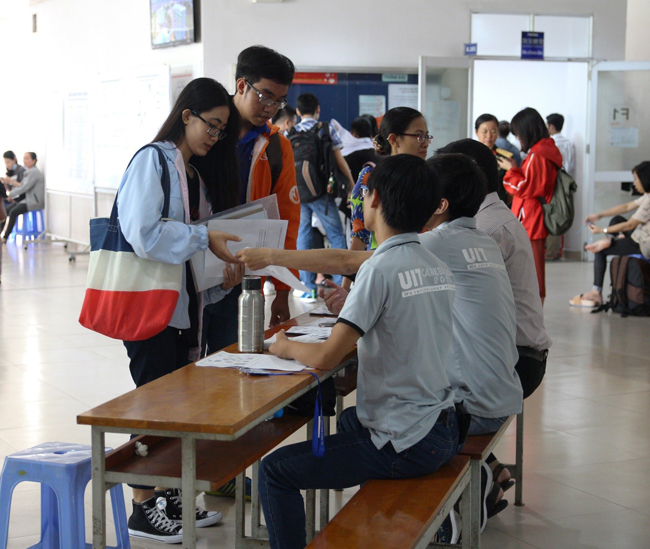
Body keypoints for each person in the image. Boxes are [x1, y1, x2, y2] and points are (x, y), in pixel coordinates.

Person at [258, 155, 461, 549]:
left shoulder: (378, 269)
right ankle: (378, 519)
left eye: (365, 192)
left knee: (274, 470)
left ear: (375, 200)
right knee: (350, 421)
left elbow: (324, 359)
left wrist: (282, 345)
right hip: (443, 424)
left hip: (409, 439)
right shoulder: (434, 264)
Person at [116, 77, 245, 544]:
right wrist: (201, 238)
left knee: (173, 407)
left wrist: (221, 270)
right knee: (151, 406)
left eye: (222, 130)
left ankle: (168, 495)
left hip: (180, 308)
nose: (215, 135)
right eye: (211, 125)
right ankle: (142, 505)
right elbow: (142, 233)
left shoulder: (189, 173)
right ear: (186, 116)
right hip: (149, 308)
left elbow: (194, 245)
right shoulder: (152, 160)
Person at [202, 45, 300, 357]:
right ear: (242, 85)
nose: (272, 107)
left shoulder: (276, 147)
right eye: (266, 96)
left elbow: (288, 220)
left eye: (280, 100)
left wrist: (282, 290)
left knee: (233, 361)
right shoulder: (205, 131)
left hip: (244, 276)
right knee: (181, 373)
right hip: (192, 268)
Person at [498, 107, 563, 303]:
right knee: (532, 269)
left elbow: (526, 187)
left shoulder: (538, 155)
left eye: (519, 134)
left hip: (530, 219)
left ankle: (534, 316)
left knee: (532, 271)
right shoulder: (545, 150)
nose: (518, 139)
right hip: (532, 217)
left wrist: (511, 170)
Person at [292, 92, 354, 300]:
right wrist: (351, 182)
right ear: (317, 109)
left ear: (298, 111)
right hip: (321, 192)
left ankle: (307, 287)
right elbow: (338, 160)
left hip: (299, 194)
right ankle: (340, 285)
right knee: (336, 235)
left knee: (303, 237)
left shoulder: (289, 132)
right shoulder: (326, 129)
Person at [348, 107, 432, 255]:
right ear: (394, 139)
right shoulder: (370, 177)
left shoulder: (430, 177)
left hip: (422, 262)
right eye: (419, 136)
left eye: (427, 136)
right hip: (379, 263)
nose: (425, 143)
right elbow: (360, 235)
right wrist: (349, 277)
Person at [571, 161, 650, 308]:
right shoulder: (647, 195)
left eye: (636, 180)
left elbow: (630, 225)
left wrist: (602, 231)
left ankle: (596, 292)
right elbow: (626, 207)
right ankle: (611, 240)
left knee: (600, 251)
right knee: (616, 219)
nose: (634, 184)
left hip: (643, 243)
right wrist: (600, 215)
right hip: (641, 234)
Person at [545, 113, 576, 260]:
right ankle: (558, 251)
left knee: (552, 216)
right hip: (566, 184)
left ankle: (551, 253)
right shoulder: (569, 144)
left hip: (553, 185)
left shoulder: (551, 144)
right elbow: (570, 166)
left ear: (551, 126)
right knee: (563, 214)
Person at [0, 152, 45, 242]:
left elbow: (24, 187)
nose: (25, 161)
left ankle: (5, 237)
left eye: (27, 158)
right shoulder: (28, 172)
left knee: (13, 212)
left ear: (34, 161)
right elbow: (21, 187)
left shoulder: (34, 173)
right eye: (24, 158)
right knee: (5, 210)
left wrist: (10, 194)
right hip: (24, 200)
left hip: (32, 201)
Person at [475, 113, 510, 203]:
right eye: (484, 131)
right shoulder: (468, 156)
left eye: (493, 131)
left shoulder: (505, 157)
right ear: (476, 132)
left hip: (498, 207)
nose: (489, 136)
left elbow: (511, 191)